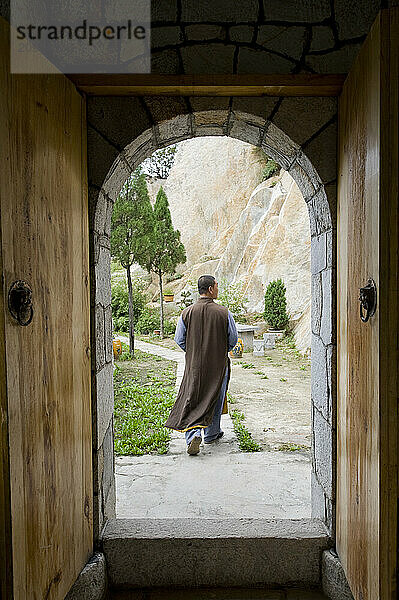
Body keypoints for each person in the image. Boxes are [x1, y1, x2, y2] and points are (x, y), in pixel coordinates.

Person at [165, 275, 238, 455]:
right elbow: (233, 339)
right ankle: (211, 434)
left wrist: (193, 351)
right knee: (215, 395)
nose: (217, 289)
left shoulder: (187, 312)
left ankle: (193, 435)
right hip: (218, 364)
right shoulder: (224, 312)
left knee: (192, 397)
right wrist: (220, 350)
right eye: (217, 286)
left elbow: (179, 339)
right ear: (211, 289)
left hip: (194, 365)